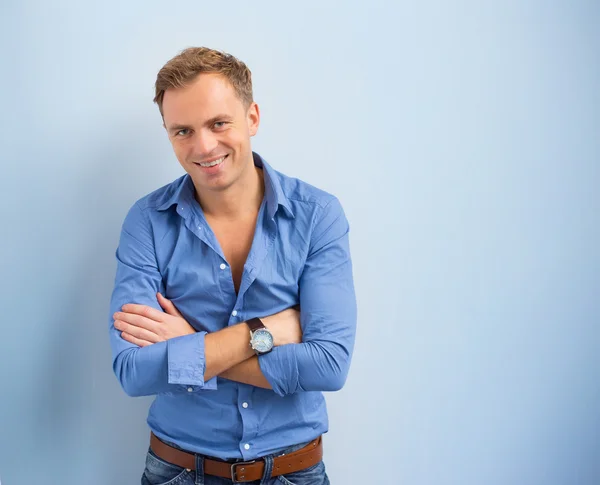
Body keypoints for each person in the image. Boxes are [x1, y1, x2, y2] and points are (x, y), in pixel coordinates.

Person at [108, 47, 357, 485]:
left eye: (218, 123)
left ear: (252, 118)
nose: (203, 146)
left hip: (292, 472)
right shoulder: (147, 221)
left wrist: (191, 346)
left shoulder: (318, 215)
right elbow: (132, 370)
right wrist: (265, 332)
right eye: (182, 130)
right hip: (177, 471)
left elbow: (328, 365)